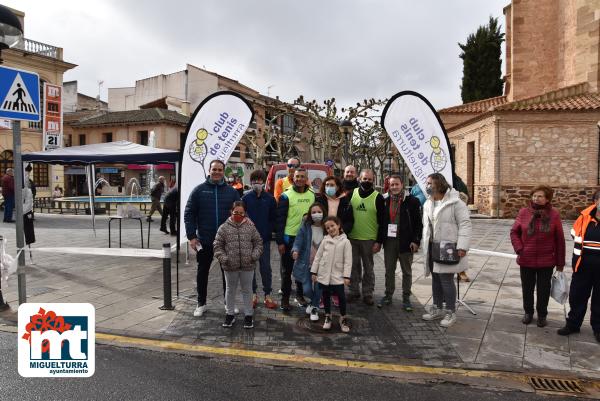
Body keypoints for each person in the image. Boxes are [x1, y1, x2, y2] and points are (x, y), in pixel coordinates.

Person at [184, 160, 240, 317]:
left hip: (226, 241)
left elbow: (240, 214)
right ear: (209, 171)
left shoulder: (231, 192)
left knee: (228, 274)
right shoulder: (199, 190)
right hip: (205, 239)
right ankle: (201, 303)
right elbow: (189, 214)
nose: (216, 172)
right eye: (214, 169)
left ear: (224, 172)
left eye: (220, 169)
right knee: (202, 272)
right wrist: (192, 236)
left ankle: (229, 302)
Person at [421, 173, 471, 328]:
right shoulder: (428, 202)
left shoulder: (456, 203)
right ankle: (437, 308)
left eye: (430, 183)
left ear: (439, 184)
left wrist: (462, 246)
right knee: (435, 278)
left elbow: (465, 224)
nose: (427, 186)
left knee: (446, 280)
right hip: (432, 246)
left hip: (448, 247)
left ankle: (450, 312)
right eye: (427, 183)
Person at [510, 185, 565, 327]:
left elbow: (560, 240)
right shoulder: (524, 212)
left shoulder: (554, 214)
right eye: (534, 195)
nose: (536, 198)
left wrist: (560, 263)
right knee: (527, 288)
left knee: (543, 290)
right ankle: (528, 312)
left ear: (547, 199)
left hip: (546, 261)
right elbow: (514, 232)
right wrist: (519, 249)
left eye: (540, 196)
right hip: (526, 258)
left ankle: (542, 315)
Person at [557, 189, 600, 343]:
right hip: (582, 266)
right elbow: (574, 234)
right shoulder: (584, 217)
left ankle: (598, 329)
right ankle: (573, 324)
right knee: (577, 296)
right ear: (595, 201)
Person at [213, 201, 263, 329]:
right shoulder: (223, 228)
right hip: (230, 266)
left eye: (241, 213)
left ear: (245, 213)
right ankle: (229, 314)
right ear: (231, 211)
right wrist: (224, 258)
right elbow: (217, 246)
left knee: (247, 290)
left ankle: (248, 315)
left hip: (248, 265)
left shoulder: (251, 227)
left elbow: (258, 242)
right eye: (236, 212)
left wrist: (254, 256)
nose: (238, 215)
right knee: (230, 290)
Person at [378, 175, 422, 311]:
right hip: (389, 242)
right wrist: (379, 241)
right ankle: (388, 295)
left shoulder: (412, 201)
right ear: (389, 186)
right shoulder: (384, 200)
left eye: (397, 184)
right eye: (392, 185)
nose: (394, 187)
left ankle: (406, 297)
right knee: (389, 270)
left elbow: (418, 224)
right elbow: (380, 223)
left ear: (402, 185)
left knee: (406, 272)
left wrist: (416, 241)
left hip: (406, 241)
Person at [275, 168, 315, 311]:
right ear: (293, 177)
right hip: (289, 238)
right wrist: (280, 241)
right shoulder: (285, 196)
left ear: (306, 178)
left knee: (302, 269)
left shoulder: (313, 195)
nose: (299, 179)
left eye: (302, 177)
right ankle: (285, 299)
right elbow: (279, 220)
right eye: (297, 176)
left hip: (306, 238)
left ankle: (299, 295)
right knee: (287, 271)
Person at [347, 169, 386, 305]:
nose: (367, 181)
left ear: (373, 180)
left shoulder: (378, 197)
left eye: (370, 179)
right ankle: (353, 291)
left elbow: (383, 222)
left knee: (368, 268)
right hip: (352, 238)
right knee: (353, 267)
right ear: (359, 179)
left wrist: (379, 241)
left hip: (369, 240)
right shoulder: (352, 194)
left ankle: (368, 293)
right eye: (365, 179)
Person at [242, 169, 278, 309]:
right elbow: (242, 216)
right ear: (251, 182)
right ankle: (253, 294)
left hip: (264, 240)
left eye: (259, 180)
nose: (257, 183)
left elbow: (273, 219)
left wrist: (268, 232)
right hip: (249, 240)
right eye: (254, 180)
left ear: (264, 182)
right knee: (250, 268)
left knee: (266, 268)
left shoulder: (269, 199)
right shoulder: (245, 198)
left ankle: (267, 295)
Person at [311, 216, 352, 333]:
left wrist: (346, 276)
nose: (330, 229)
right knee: (326, 296)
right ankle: (328, 317)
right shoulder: (325, 241)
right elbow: (318, 257)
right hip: (324, 275)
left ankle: (343, 318)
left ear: (338, 225)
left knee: (341, 297)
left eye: (332, 226)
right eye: (328, 228)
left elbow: (348, 261)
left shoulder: (345, 242)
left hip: (338, 276)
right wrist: (314, 272)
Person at [292, 203, 326, 321]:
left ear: (323, 212)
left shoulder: (327, 227)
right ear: (310, 215)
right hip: (306, 263)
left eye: (319, 212)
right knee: (306, 289)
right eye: (314, 212)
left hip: (321, 265)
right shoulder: (305, 226)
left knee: (318, 288)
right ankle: (313, 302)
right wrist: (295, 250)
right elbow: (298, 240)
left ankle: (315, 308)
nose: (317, 214)